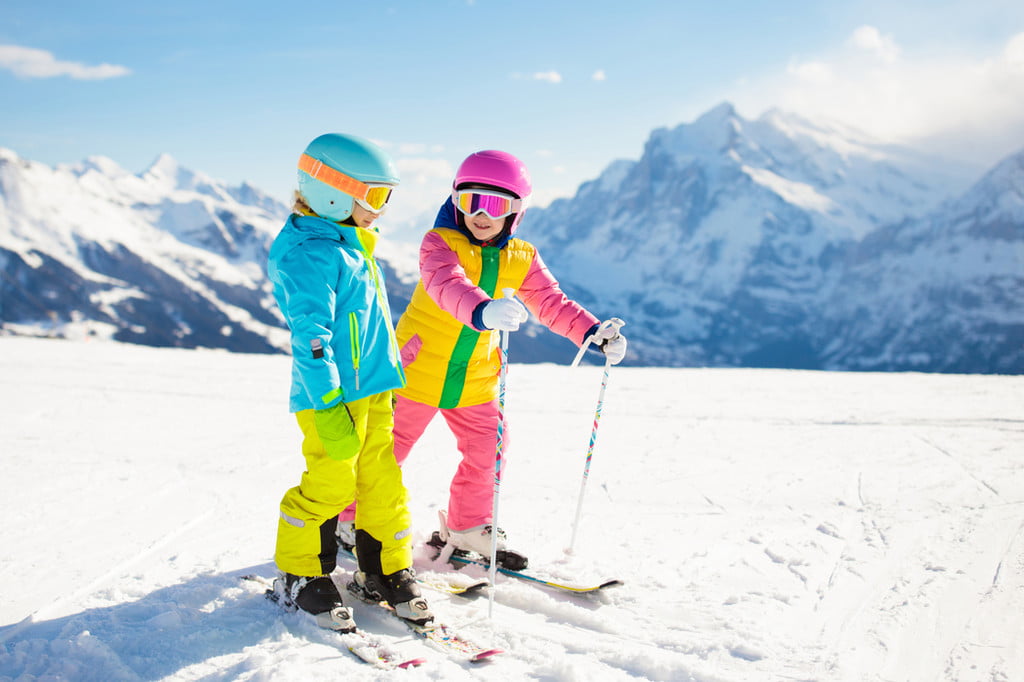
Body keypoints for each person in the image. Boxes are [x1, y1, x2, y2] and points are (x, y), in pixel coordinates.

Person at [337, 149, 627, 568]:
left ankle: (469, 526)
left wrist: (591, 333)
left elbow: (550, 302)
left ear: (516, 211)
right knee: (384, 448)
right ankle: (350, 519)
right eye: (470, 200)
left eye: (496, 204)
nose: (481, 213)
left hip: (474, 379)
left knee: (488, 447)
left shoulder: (522, 257)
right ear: (456, 201)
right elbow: (444, 284)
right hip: (415, 371)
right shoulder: (439, 243)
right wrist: (482, 309)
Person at [267, 132, 432, 631]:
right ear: (332, 191)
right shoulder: (310, 253)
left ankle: (382, 569)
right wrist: (329, 401)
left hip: (374, 388)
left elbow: (362, 323)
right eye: (375, 196)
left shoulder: (349, 242)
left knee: (381, 480)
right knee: (331, 481)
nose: (380, 210)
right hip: (332, 396)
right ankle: (300, 573)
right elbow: (311, 338)